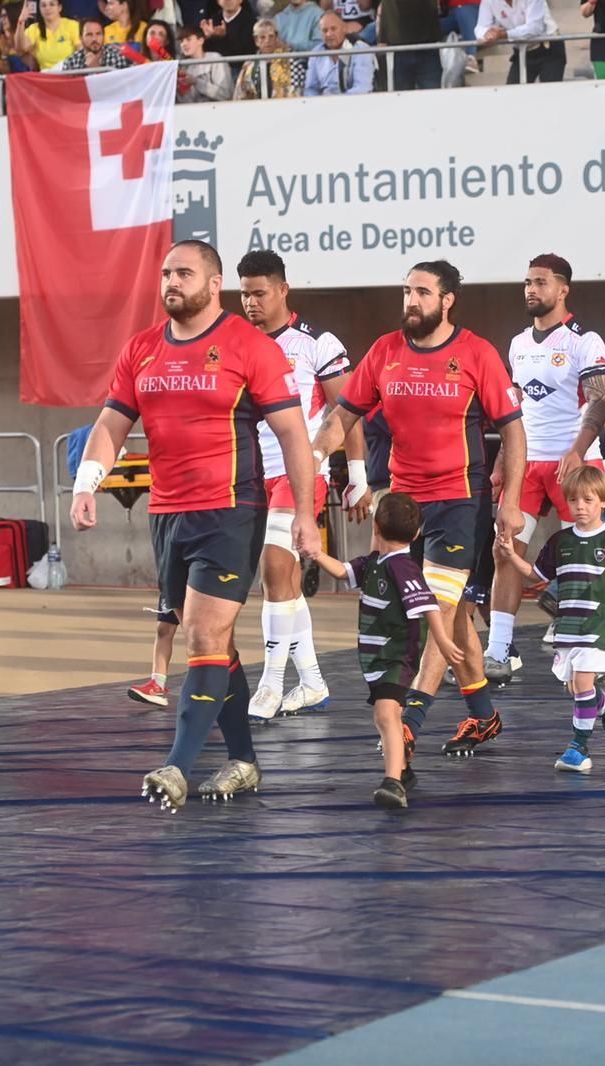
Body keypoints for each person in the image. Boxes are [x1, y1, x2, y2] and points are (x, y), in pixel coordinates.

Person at [71, 241, 317, 812]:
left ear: (214, 282)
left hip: (231, 510)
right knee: (215, 641)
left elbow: (293, 436)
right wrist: (88, 484)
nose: (171, 283)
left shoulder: (248, 346)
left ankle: (179, 766)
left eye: (184, 273)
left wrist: (304, 512)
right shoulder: (142, 349)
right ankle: (244, 760)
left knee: (201, 636)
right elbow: (110, 423)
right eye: (165, 274)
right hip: (167, 513)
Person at [312, 260, 527, 756]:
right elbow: (342, 414)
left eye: (422, 292)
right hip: (402, 506)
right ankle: (483, 717)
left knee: (434, 607)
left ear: (447, 300)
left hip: (457, 499)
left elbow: (513, 431)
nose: (411, 300)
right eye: (406, 291)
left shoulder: (476, 353)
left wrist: (509, 501)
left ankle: (411, 720)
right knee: (439, 619)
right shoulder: (385, 351)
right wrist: (317, 455)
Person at [235, 250, 367, 720]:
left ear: (283, 290)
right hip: (248, 474)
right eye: (244, 294)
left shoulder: (316, 342)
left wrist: (357, 476)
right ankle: (311, 681)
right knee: (285, 583)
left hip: (300, 471)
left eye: (259, 293)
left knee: (274, 572)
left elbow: (347, 411)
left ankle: (270, 685)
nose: (250, 303)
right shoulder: (235, 343)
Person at [486, 253, 605, 682]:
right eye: (527, 282)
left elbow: (600, 400)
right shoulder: (519, 343)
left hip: (570, 465)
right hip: (526, 464)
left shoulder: (584, 340)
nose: (531, 290)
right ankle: (499, 650)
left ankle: (586, 649)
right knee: (505, 553)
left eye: (540, 282)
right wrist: (503, 461)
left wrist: (577, 449)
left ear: (562, 289)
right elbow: (511, 411)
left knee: (583, 560)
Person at [307, 492, 465, 808]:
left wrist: (443, 641)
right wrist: (316, 553)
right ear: (419, 533)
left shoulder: (403, 567)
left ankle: (393, 782)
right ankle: (403, 770)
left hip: (397, 654)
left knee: (386, 712)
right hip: (375, 655)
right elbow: (342, 572)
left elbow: (427, 603)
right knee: (384, 716)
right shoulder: (372, 563)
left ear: (375, 527)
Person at [496, 465, 605, 773]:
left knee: (584, 683)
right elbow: (536, 575)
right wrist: (510, 556)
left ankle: (579, 747)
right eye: (574, 500)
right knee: (577, 688)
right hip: (568, 627)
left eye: (588, 500)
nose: (580, 507)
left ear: (603, 501)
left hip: (598, 628)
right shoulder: (561, 541)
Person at [474, 0, 561, 84]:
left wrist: (504, 34)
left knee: (550, 94)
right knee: (512, 94)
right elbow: (480, 27)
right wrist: (488, 34)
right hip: (521, 51)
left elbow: (535, 28)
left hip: (549, 47)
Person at [303, 8, 372, 96]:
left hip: (354, 105)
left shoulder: (360, 49)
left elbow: (362, 88)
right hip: (322, 106)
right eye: (325, 30)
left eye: (333, 29)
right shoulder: (316, 52)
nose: (329, 34)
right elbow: (310, 89)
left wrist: (336, 103)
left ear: (344, 28)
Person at [378, 0, 441, 92]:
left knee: (432, 98)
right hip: (399, 47)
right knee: (402, 99)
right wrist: (382, 38)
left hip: (427, 44)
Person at [233, 17, 303, 99]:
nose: (267, 41)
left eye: (271, 36)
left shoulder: (291, 61)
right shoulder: (249, 66)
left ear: (276, 37)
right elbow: (240, 94)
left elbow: (298, 91)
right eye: (262, 37)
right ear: (256, 40)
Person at [128, 603, 178, 706]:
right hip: (174, 588)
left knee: (198, 632)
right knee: (164, 629)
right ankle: (157, 686)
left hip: (203, 589)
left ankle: (210, 683)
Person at [14, 0, 80, 69]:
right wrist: (21, 21)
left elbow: (81, 52)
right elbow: (22, 47)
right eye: (43, 5)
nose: (47, 8)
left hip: (70, 74)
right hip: (46, 77)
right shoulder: (34, 29)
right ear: (39, 9)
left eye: (52, 4)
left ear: (59, 7)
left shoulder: (72, 25)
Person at [176, 23, 230, 101]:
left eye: (188, 39)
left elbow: (226, 94)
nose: (183, 44)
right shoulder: (182, 66)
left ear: (200, 41)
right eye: (181, 41)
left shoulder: (215, 59)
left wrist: (196, 81)